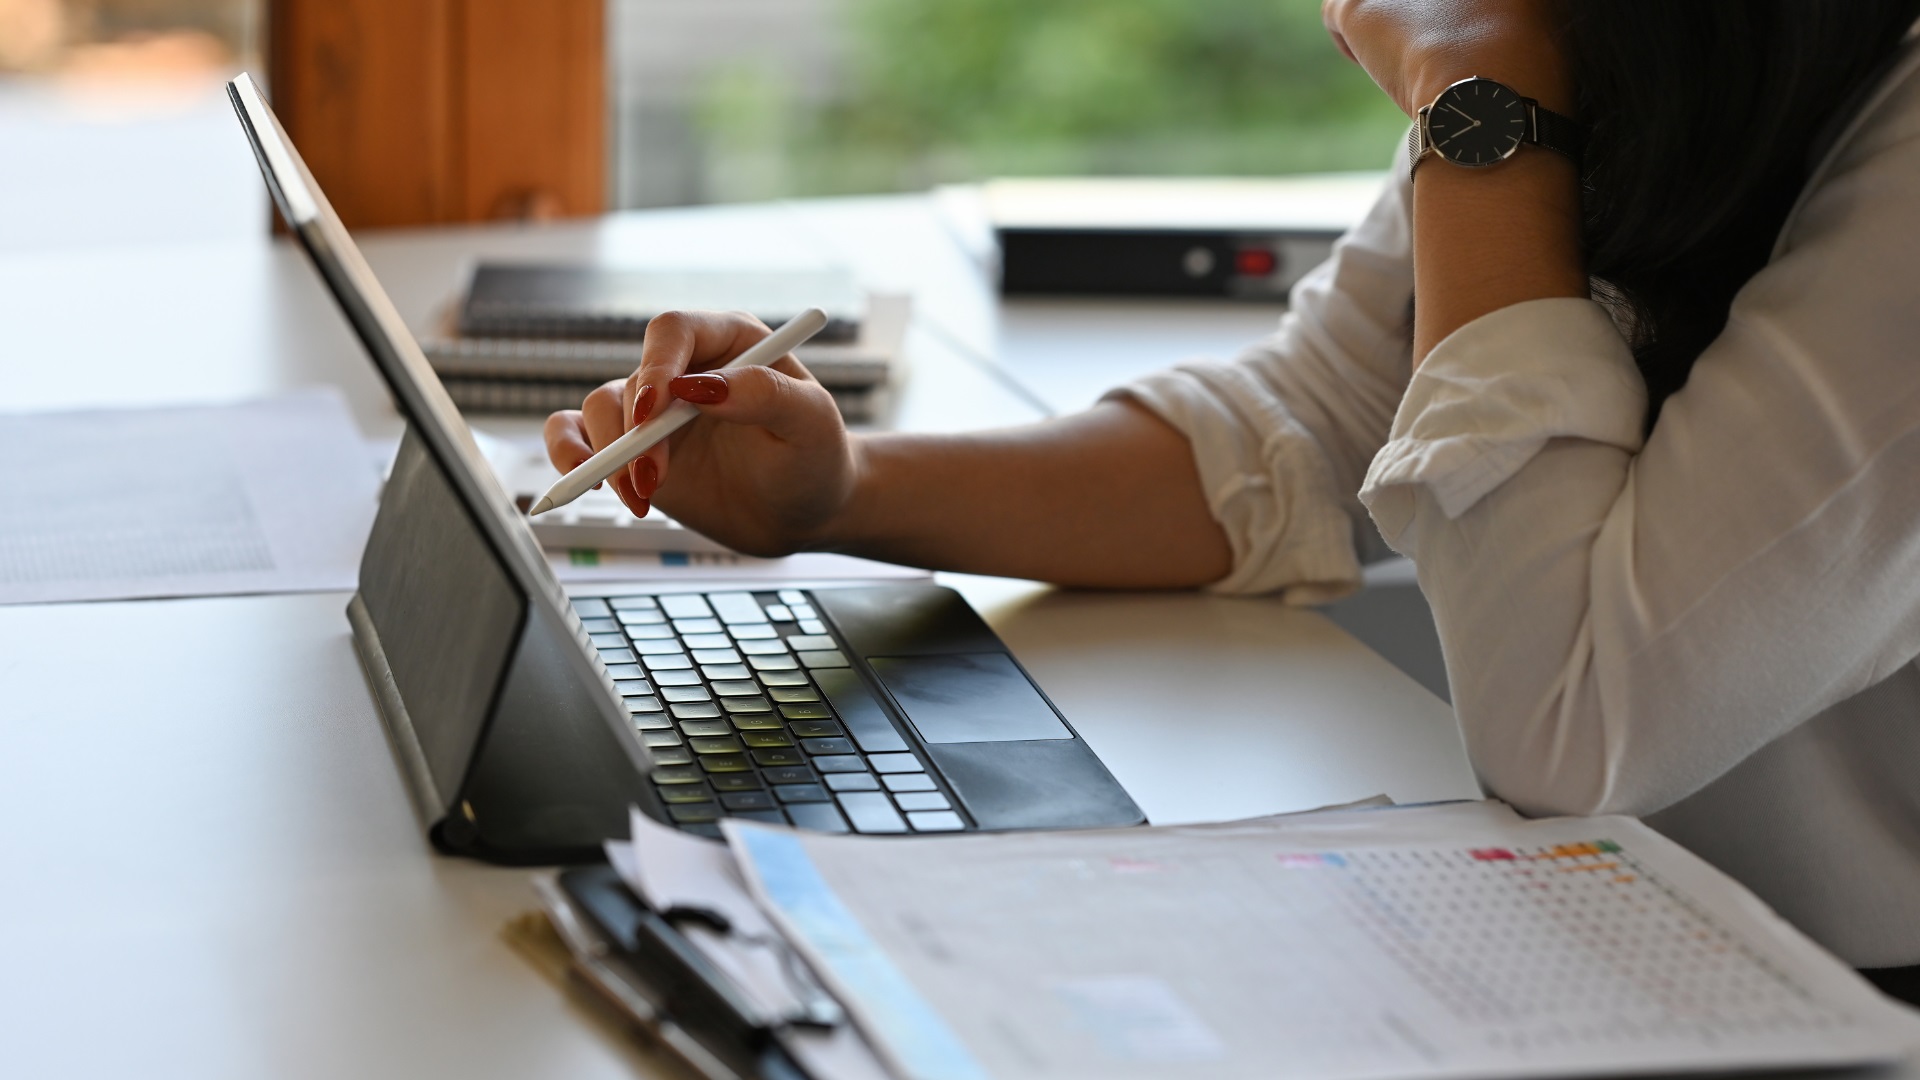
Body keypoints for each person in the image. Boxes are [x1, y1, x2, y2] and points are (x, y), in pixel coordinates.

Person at [547, 1, 1920, 993]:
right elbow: (1312, 421)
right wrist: (841, 492)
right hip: (1596, 939)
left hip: (1826, 991)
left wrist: (1481, 118)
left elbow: (1570, 722)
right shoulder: (1608, 41)